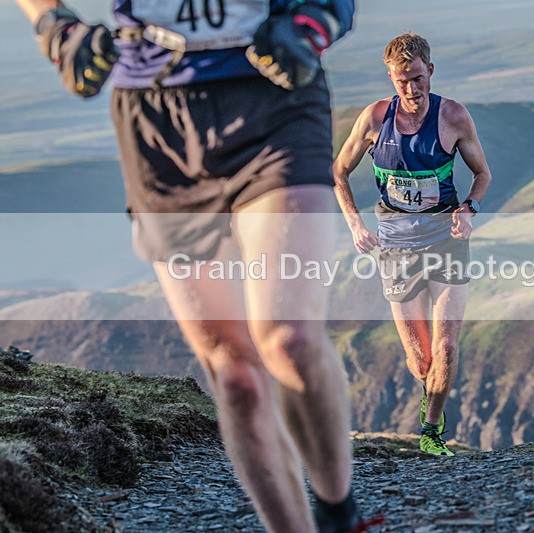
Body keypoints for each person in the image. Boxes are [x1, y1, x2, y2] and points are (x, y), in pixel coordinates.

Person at [15, 0, 383, 530]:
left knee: (289, 339)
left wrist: (316, 20)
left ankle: (338, 514)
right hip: (154, 119)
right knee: (235, 377)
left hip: (271, 91)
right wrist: (56, 27)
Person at [333, 32, 492, 456]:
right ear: (390, 77)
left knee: (447, 347)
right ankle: (429, 391)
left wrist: (469, 209)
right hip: (396, 247)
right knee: (421, 361)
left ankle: (431, 430)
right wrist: (354, 224)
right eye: (402, 80)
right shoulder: (373, 118)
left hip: (446, 239)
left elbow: (483, 174)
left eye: (418, 78)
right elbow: (339, 172)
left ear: (431, 71)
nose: (411, 89)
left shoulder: (453, 116)